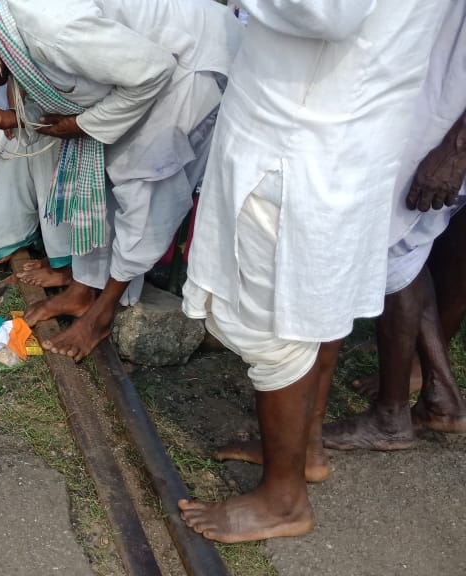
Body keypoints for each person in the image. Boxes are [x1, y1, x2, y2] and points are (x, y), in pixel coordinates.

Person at [180, 0, 448, 543]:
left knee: (281, 321)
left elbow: (326, 10)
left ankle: (283, 501)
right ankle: (305, 450)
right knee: (319, 299)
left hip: (301, 135)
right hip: (344, 124)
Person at [0, 0, 240, 361]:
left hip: (188, 60)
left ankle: (101, 314)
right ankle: (83, 289)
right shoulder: (12, 36)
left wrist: (83, 125)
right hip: (147, 66)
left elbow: (153, 71)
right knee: (94, 172)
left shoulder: (54, 32)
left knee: (142, 182)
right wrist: (5, 119)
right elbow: (65, 103)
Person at [321, 4, 466, 451]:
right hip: (425, 109)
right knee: (403, 252)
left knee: (390, 249)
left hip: (439, 125)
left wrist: (457, 149)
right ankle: (439, 399)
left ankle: (391, 417)